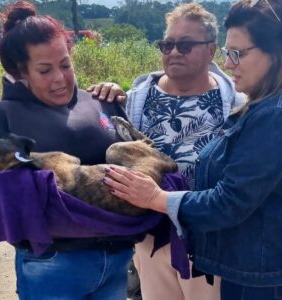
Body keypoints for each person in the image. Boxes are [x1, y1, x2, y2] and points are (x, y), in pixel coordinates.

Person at [103, 0, 282, 299]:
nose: (229, 64)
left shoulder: (278, 114)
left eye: (238, 54)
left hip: (263, 273)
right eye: (230, 53)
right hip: (278, 262)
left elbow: (229, 202)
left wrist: (155, 198)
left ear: (279, 52)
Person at [0, 1, 139, 298]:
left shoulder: (97, 100)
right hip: (54, 264)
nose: (59, 79)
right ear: (21, 73)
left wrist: (115, 102)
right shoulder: (5, 115)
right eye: (44, 70)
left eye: (65, 64)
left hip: (116, 258)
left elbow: (136, 154)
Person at [89, 3, 245, 300]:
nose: (174, 52)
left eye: (185, 45)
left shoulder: (237, 104)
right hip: (151, 236)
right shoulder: (134, 100)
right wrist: (103, 95)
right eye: (168, 44)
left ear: (211, 50)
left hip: (209, 235)